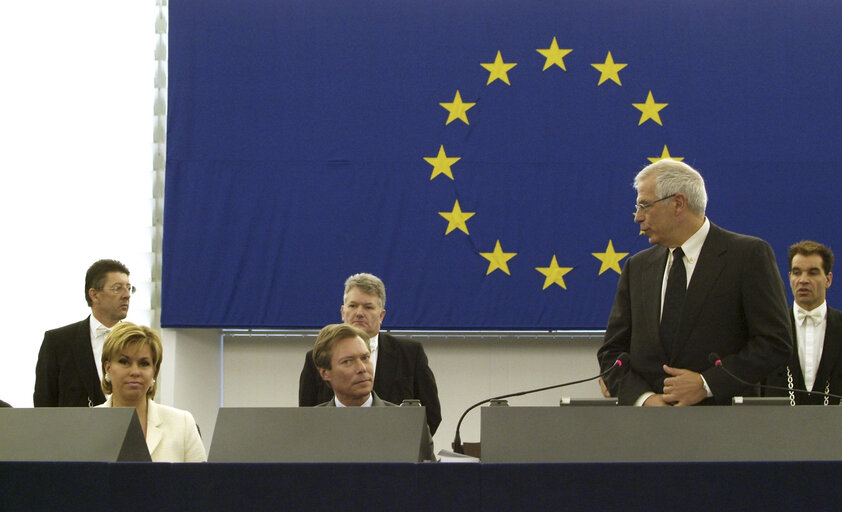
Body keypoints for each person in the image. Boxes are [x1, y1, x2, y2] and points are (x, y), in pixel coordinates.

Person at [597, 160, 792, 405]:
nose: (638, 217)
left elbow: (774, 344)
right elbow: (611, 353)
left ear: (678, 203)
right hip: (647, 429)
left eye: (645, 206)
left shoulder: (747, 256)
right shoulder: (637, 267)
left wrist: (707, 384)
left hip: (724, 425)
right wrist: (644, 398)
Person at [298, 273, 442, 434]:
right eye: (353, 306)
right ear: (342, 312)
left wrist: (408, 444)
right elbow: (307, 417)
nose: (359, 313)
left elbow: (431, 414)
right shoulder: (316, 358)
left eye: (368, 307)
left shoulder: (410, 354)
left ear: (381, 315)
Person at [312, 323, 435, 461]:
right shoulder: (311, 426)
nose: (362, 368)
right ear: (325, 373)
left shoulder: (408, 425)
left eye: (365, 358)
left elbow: (429, 480)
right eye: (348, 361)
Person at [96, 322, 206, 462]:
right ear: (108, 368)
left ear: (154, 372)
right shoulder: (86, 425)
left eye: (144, 364)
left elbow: (201, 482)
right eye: (124, 362)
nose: (135, 371)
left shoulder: (182, 424)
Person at [34, 259, 134, 407]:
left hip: (125, 428)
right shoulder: (57, 342)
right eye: (117, 288)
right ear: (94, 295)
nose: (127, 295)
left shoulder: (137, 342)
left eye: (129, 288)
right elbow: (43, 405)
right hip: (71, 429)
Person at [764, 241, 842, 404]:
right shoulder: (770, 327)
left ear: (828, 279)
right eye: (797, 272)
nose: (803, 280)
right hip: (779, 426)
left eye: (812, 273)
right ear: (789, 277)